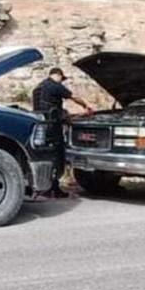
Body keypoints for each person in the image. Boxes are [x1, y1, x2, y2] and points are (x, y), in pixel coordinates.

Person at [32, 67, 93, 198]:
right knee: (57, 156)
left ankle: (44, 187)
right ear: (58, 75)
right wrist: (85, 106)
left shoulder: (38, 87)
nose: (62, 81)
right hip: (53, 126)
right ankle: (54, 188)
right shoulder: (55, 86)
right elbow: (74, 97)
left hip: (41, 126)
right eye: (61, 79)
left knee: (45, 156)